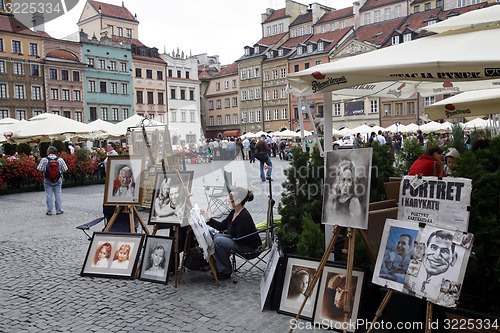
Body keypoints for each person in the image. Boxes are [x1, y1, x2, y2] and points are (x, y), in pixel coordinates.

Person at [200, 187, 261, 280]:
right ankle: (222, 266)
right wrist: (208, 218)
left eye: (231, 198)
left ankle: (225, 270)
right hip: (240, 241)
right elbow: (221, 226)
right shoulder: (234, 212)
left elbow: (241, 238)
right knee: (217, 236)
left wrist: (228, 235)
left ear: (238, 201)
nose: (228, 200)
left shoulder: (244, 216)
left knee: (219, 240)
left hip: (250, 248)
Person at [324, 159, 362, 227]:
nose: (346, 184)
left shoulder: (354, 202)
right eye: (343, 179)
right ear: (338, 179)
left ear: (352, 182)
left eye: (349, 180)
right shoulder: (332, 199)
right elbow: (328, 218)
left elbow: (356, 224)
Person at [37, 146, 68, 215]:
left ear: (48, 152)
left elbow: (39, 169)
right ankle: (59, 210)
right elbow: (65, 169)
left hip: (47, 179)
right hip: (58, 179)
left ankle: (49, 211)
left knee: (49, 195)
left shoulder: (44, 159)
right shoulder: (60, 159)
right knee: (58, 194)